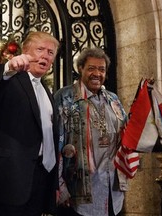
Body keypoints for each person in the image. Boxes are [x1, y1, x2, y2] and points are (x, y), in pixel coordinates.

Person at [0, 31, 60, 216]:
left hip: (37, 181)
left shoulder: (46, 91)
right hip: (5, 182)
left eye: (50, 52)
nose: (45, 55)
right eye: (40, 49)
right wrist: (7, 69)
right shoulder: (9, 77)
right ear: (25, 51)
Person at [54, 47, 129, 216]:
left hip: (112, 190)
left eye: (101, 69)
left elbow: (127, 134)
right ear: (80, 69)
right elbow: (55, 144)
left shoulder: (113, 99)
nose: (97, 74)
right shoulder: (65, 97)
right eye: (91, 68)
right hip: (78, 191)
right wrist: (60, 186)